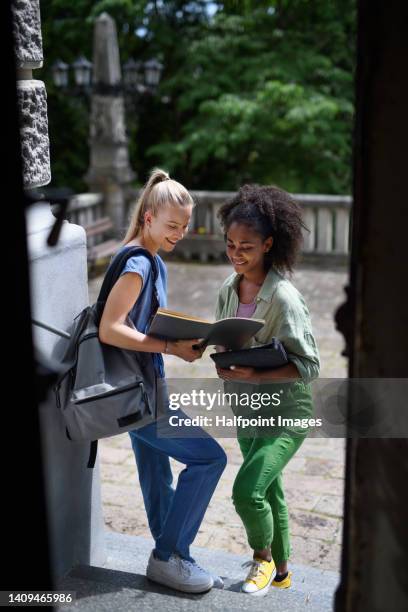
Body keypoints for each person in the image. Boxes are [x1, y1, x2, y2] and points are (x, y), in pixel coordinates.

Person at [99, 168, 227, 594]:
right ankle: (168, 555)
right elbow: (110, 329)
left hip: (144, 387)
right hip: (135, 394)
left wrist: (179, 339)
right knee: (209, 459)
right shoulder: (138, 262)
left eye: (186, 226)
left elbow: (142, 325)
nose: (181, 233)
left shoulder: (151, 258)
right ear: (149, 217)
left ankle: (174, 558)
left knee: (156, 474)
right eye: (173, 225)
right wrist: (171, 348)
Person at [214, 184, 320, 597]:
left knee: (248, 491)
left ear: (269, 244)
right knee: (269, 491)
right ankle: (282, 573)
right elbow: (225, 338)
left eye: (247, 247)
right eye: (230, 244)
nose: (236, 254)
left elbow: (309, 365)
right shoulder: (228, 287)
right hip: (246, 408)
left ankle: (261, 559)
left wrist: (257, 376)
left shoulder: (285, 298)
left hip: (286, 412)